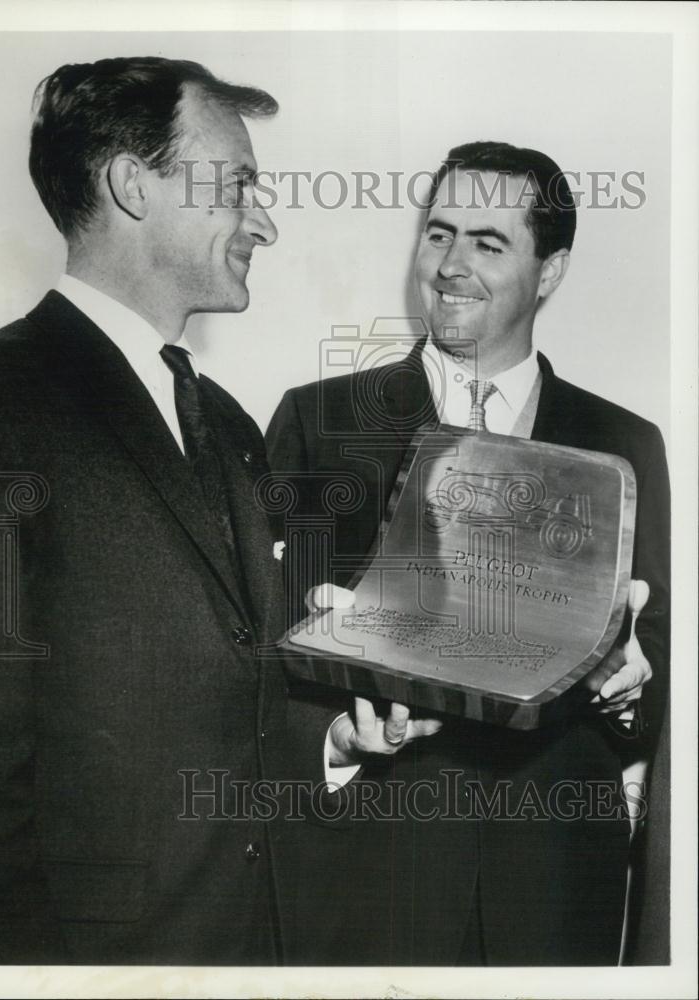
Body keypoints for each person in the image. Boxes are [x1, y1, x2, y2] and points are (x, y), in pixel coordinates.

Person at [0, 54, 406, 967]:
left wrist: (335, 740)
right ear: (129, 185)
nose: (263, 220)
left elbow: (236, 690)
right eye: (237, 187)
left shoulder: (223, 420)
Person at [266, 141, 670, 965]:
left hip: (557, 895)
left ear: (549, 271)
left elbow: (655, 670)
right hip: (368, 886)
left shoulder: (623, 444)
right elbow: (255, 658)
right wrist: (340, 730)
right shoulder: (317, 424)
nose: (451, 265)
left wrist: (629, 687)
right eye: (438, 233)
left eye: (487, 242)